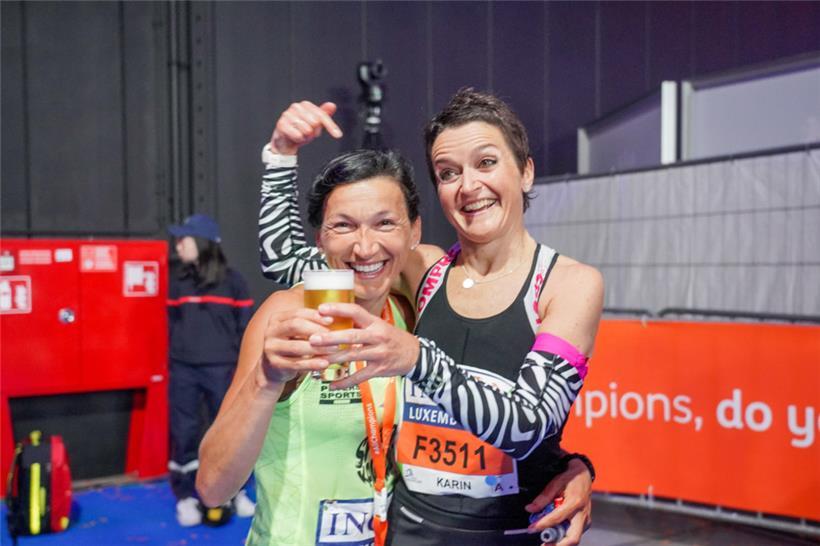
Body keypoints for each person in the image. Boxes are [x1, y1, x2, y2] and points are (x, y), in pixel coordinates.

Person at [255, 91, 603, 546]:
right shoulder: (425, 271)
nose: (469, 185)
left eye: (486, 162)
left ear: (526, 171)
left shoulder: (568, 283)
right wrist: (280, 154)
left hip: (513, 533)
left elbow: (528, 427)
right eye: (448, 173)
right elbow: (284, 259)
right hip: (411, 530)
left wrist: (417, 358)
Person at [196, 149, 422, 545]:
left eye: (385, 223)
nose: (365, 247)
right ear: (319, 239)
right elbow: (213, 487)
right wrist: (266, 381)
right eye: (344, 226)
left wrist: (570, 467)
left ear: (413, 232)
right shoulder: (289, 316)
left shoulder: (415, 311)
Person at [167, 213, 256, 526]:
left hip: (223, 371)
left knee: (231, 435)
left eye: (184, 239)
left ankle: (238, 492)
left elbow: (245, 330)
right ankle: (187, 497)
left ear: (203, 242)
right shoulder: (176, 282)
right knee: (185, 434)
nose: (178, 245)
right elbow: (172, 325)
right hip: (184, 371)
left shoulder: (234, 282)